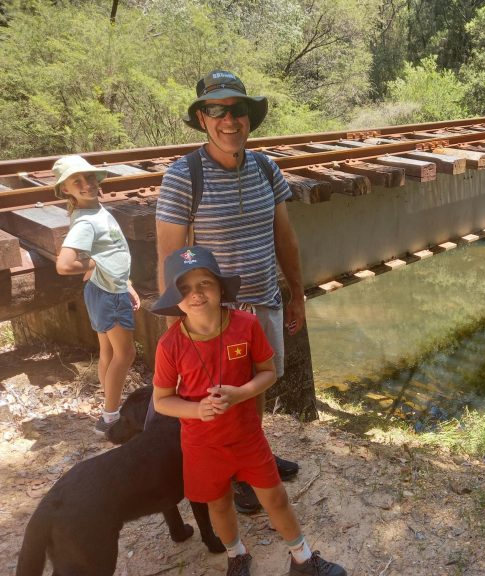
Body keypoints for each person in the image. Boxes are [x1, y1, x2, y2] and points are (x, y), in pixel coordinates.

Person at [155, 69, 303, 513]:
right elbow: (170, 255)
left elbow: (285, 238)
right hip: (213, 313)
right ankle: (237, 473)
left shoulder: (265, 167)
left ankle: (251, 453)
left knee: (255, 385)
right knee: (217, 396)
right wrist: (178, 323)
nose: (229, 120)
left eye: (237, 110)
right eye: (217, 111)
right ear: (202, 118)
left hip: (264, 300)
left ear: (248, 118)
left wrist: (296, 293)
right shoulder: (184, 176)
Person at [151, 246, 345, 576]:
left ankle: (302, 559)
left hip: (246, 436)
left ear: (220, 287)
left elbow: (267, 372)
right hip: (201, 444)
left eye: (204, 284)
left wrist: (240, 394)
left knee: (276, 498)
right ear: (175, 298)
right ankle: (236, 554)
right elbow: (161, 400)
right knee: (219, 503)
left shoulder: (246, 325)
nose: (196, 295)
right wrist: (198, 410)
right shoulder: (170, 344)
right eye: (184, 288)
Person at [54, 155, 140, 433]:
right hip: (107, 294)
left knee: (108, 350)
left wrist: (126, 282)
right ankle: (110, 417)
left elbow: (110, 252)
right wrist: (93, 263)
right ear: (65, 189)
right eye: (76, 181)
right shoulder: (86, 222)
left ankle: (109, 404)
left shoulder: (93, 213)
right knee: (126, 354)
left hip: (107, 289)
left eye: (89, 177)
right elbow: (65, 264)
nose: (87, 184)